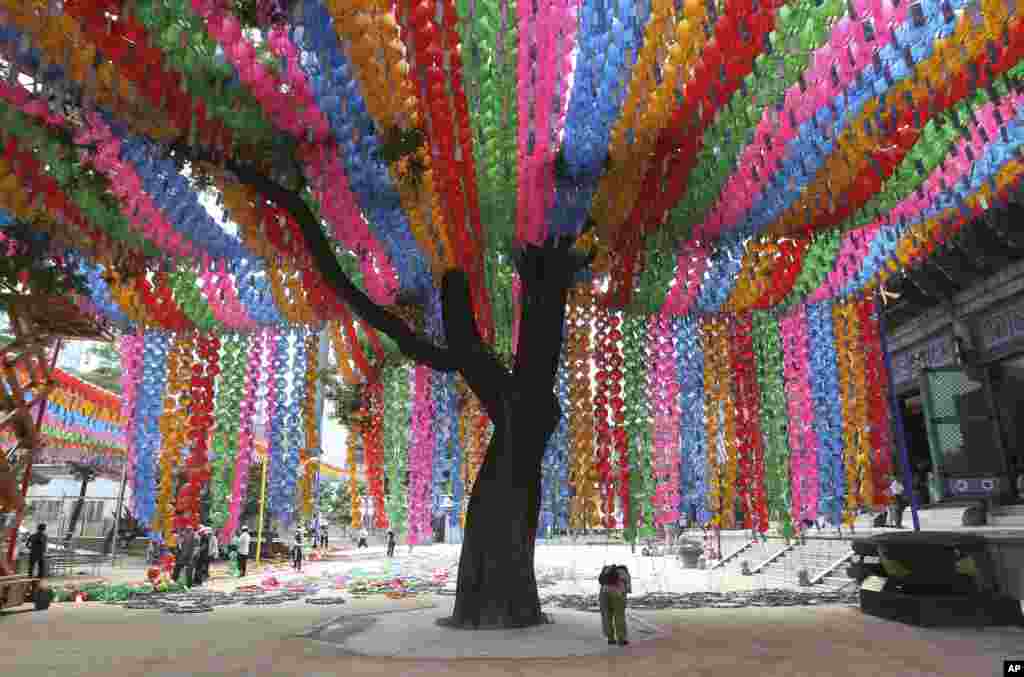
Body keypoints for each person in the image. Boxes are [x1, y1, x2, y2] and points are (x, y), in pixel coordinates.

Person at [600, 564, 630, 646]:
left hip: (604, 593)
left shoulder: (606, 571)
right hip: (618, 594)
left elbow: (601, 582)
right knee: (619, 615)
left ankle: (610, 639)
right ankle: (621, 639)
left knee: (606, 616)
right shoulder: (624, 573)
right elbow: (628, 588)